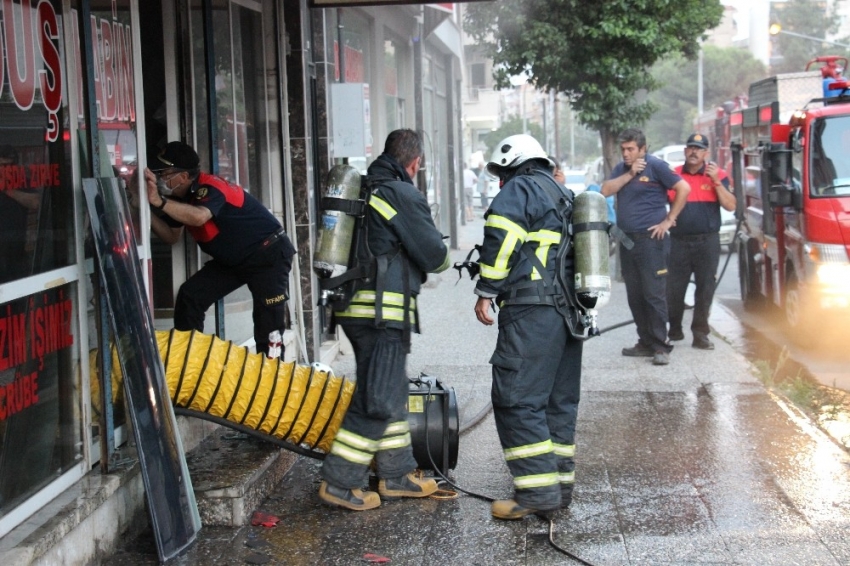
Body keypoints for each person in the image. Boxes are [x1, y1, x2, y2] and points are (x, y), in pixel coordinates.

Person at [319, 129, 451, 511]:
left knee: (389, 390)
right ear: (415, 163)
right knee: (377, 399)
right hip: (383, 315)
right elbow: (435, 256)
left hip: (353, 310)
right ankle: (339, 483)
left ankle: (397, 475)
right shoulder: (400, 193)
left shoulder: (362, 189)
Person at [474, 134, 583, 519]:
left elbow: (503, 239)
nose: (502, 182)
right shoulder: (564, 195)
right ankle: (558, 489)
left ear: (517, 165)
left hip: (531, 311)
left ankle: (537, 494)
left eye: (503, 173)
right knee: (557, 401)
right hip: (569, 315)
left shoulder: (522, 188)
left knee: (516, 398)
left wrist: (486, 289)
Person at [142, 141, 296, 356]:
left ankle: (273, 377)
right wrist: (141, 207)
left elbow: (199, 216)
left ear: (184, 177)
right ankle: (190, 360)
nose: (161, 179)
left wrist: (159, 202)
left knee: (268, 324)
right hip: (234, 260)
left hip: (267, 255)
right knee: (191, 296)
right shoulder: (181, 198)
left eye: (165, 173)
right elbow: (171, 236)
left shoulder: (211, 187)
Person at [601, 128, 690, 366]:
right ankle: (645, 341)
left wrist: (669, 220)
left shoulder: (656, 166)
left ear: (643, 148)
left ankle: (661, 346)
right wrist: (630, 173)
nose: (626, 153)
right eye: (623, 149)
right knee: (635, 295)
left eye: (631, 149)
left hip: (652, 241)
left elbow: (684, 188)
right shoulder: (623, 169)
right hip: (628, 240)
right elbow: (605, 190)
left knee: (653, 294)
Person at [667, 133, 736, 350]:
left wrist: (716, 182)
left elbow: (731, 205)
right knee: (674, 289)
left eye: (698, 149)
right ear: (685, 151)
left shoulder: (718, 175)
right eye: (690, 148)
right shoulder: (674, 175)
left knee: (705, 289)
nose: (694, 152)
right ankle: (674, 330)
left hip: (707, 241)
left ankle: (700, 334)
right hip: (679, 241)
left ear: (706, 153)